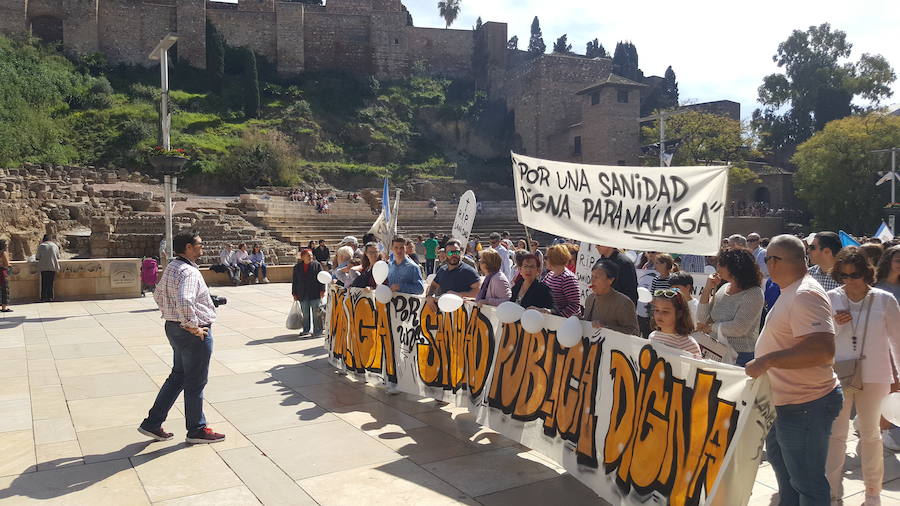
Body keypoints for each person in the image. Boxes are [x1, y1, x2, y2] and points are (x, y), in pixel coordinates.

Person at [746, 234, 842, 506]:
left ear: (777, 262)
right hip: (787, 403)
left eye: (768, 259)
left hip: (805, 406)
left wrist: (766, 361)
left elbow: (823, 350)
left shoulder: (805, 295)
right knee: (789, 477)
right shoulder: (794, 290)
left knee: (807, 483)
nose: (765, 264)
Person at [825, 247, 900, 504]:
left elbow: (898, 342)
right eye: (843, 275)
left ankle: (872, 492)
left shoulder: (884, 299)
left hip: (876, 375)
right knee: (836, 435)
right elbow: (820, 339)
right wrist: (836, 324)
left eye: (855, 274)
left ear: (867, 273)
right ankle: (833, 491)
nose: (849, 280)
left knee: (871, 434)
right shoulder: (831, 298)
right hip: (840, 374)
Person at [139, 232, 225, 444]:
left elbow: (158, 294)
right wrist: (193, 327)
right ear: (188, 247)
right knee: (195, 382)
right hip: (192, 333)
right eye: (199, 244)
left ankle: (152, 423)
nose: (202, 248)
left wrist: (173, 316)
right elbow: (185, 299)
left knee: (178, 376)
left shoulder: (172, 267)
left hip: (173, 327)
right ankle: (196, 429)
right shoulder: (189, 272)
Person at [697, 248, 765, 366]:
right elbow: (703, 318)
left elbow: (739, 328)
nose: (717, 266)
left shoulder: (754, 293)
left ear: (736, 267)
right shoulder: (723, 288)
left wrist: (711, 328)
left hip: (740, 357)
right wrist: (708, 288)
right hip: (713, 352)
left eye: (722, 263)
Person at [582, 260, 640, 335]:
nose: (592, 281)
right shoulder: (590, 298)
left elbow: (634, 332)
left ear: (610, 280)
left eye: (596, 277)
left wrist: (606, 328)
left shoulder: (624, 303)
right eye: (592, 276)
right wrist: (578, 320)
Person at [425, 240, 480, 309]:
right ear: (445, 254)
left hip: (462, 314)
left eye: (456, 252)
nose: (454, 255)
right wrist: (429, 296)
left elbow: (479, 291)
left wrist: (459, 295)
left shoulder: (469, 271)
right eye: (450, 253)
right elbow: (433, 285)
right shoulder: (442, 270)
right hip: (444, 313)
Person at [649, 288, 701, 358]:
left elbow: (696, 367)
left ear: (679, 314)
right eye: (656, 310)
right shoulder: (652, 336)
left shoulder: (689, 344)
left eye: (665, 311)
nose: (659, 315)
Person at [542, 244, 582, 318]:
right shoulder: (549, 275)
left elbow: (575, 305)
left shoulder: (568, 278)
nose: (544, 260)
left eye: (546, 258)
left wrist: (558, 317)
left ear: (554, 259)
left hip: (567, 323)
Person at [292, 249, 325, 338]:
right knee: (305, 313)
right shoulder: (297, 267)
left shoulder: (317, 265)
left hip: (315, 292)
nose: (310, 257)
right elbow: (295, 281)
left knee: (316, 313)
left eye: (311, 255)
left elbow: (322, 278)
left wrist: (322, 290)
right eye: (308, 255)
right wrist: (294, 293)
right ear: (302, 257)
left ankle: (318, 331)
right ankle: (306, 330)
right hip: (302, 293)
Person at [35, 234, 60, 302]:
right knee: (51, 283)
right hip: (53, 266)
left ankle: (43, 297)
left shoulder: (41, 246)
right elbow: (58, 256)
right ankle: (50, 297)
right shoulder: (55, 246)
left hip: (44, 266)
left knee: (44, 282)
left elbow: (37, 257)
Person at [0, 239, 10, 313]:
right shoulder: (3, 253)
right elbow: (6, 264)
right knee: (5, 290)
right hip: (3, 272)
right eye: (6, 244)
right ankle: (4, 307)